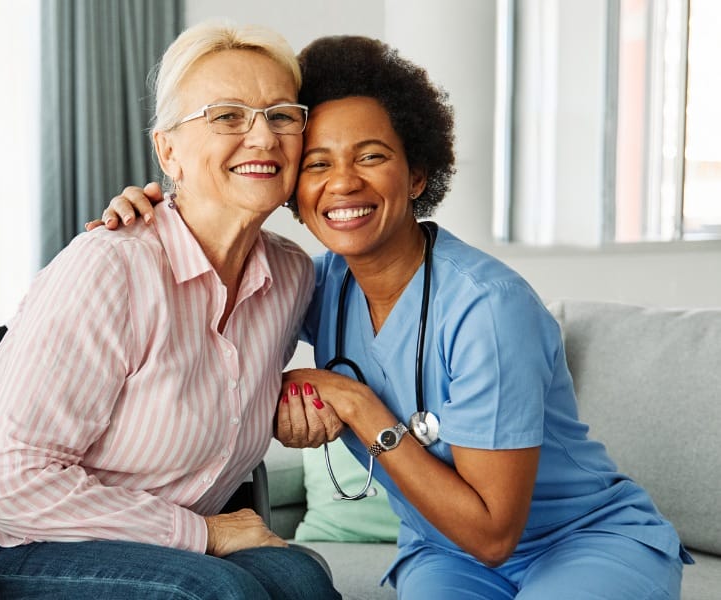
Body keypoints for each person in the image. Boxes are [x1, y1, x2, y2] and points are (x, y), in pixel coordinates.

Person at [95, 35, 691, 600]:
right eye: (317, 164)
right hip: (443, 548)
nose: (343, 183)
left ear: (417, 175)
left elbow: (492, 534)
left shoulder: (488, 309)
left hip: (580, 541)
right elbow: (213, 301)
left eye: (371, 156)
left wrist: (357, 405)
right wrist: (155, 213)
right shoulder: (313, 283)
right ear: (294, 194)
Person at [0, 20, 341, 600]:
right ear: (168, 150)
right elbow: (13, 484)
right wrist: (202, 533)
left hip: (144, 546)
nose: (262, 138)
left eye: (281, 115)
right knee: (212, 593)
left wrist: (296, 392)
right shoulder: (112, 266)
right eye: (227, 116)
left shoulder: (290, 276)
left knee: (303, 580)